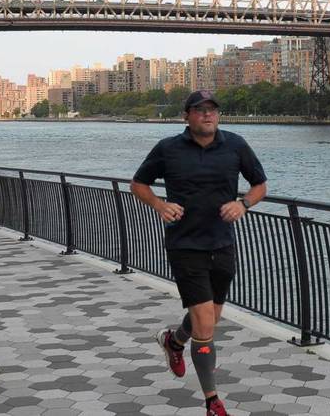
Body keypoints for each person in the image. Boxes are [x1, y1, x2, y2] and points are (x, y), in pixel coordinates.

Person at [130, 90, 268, 416]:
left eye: (212, 109)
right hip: (185, 245)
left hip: (222, 244)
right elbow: (138, 184)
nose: (207, 114)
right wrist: (160, 204)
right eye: (200, 109)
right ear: (187, 116)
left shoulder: (235, 145)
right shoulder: (168, 148)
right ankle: (212, 402)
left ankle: (174, 341)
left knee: (209, 319)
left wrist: (243, 204)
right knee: (205, 325)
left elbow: (260, 185)